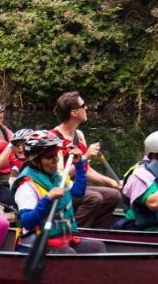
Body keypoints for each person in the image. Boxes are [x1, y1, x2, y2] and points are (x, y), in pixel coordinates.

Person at [13, 131, 105, 255]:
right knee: (69, 254)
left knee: (98, 247)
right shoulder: (26, 185)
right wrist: (47, 199)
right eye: (49, 157)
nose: (55, 160)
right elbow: (28, 223)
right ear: (35, 161)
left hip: (62, 240)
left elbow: (79, 192)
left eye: (56, 155)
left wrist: (79, 165)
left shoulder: (57, 176)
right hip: (36, 245)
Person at [48, 91, 123, 230]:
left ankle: (97, 232)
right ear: (74, 112)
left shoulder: (79, 135)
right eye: (84, 105)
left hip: (79, 187)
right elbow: (59, 176)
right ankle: (73, 231)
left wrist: (112, 182)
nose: (87, 108)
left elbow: (86, 170)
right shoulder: (55, 139)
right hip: (62, 190)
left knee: (114, 195)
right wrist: (84, 157)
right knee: (94, 198)